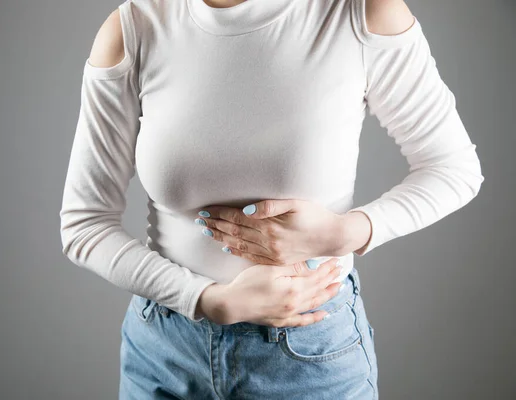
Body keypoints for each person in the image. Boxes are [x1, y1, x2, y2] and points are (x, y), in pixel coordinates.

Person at [59, 0, 484, 398]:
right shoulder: (135, 27)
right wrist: (208, 300)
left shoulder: (358, 13)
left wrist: (341, 234)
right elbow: (84, 225)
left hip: (307, 355)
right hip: (163, 353)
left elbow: (454, 169)